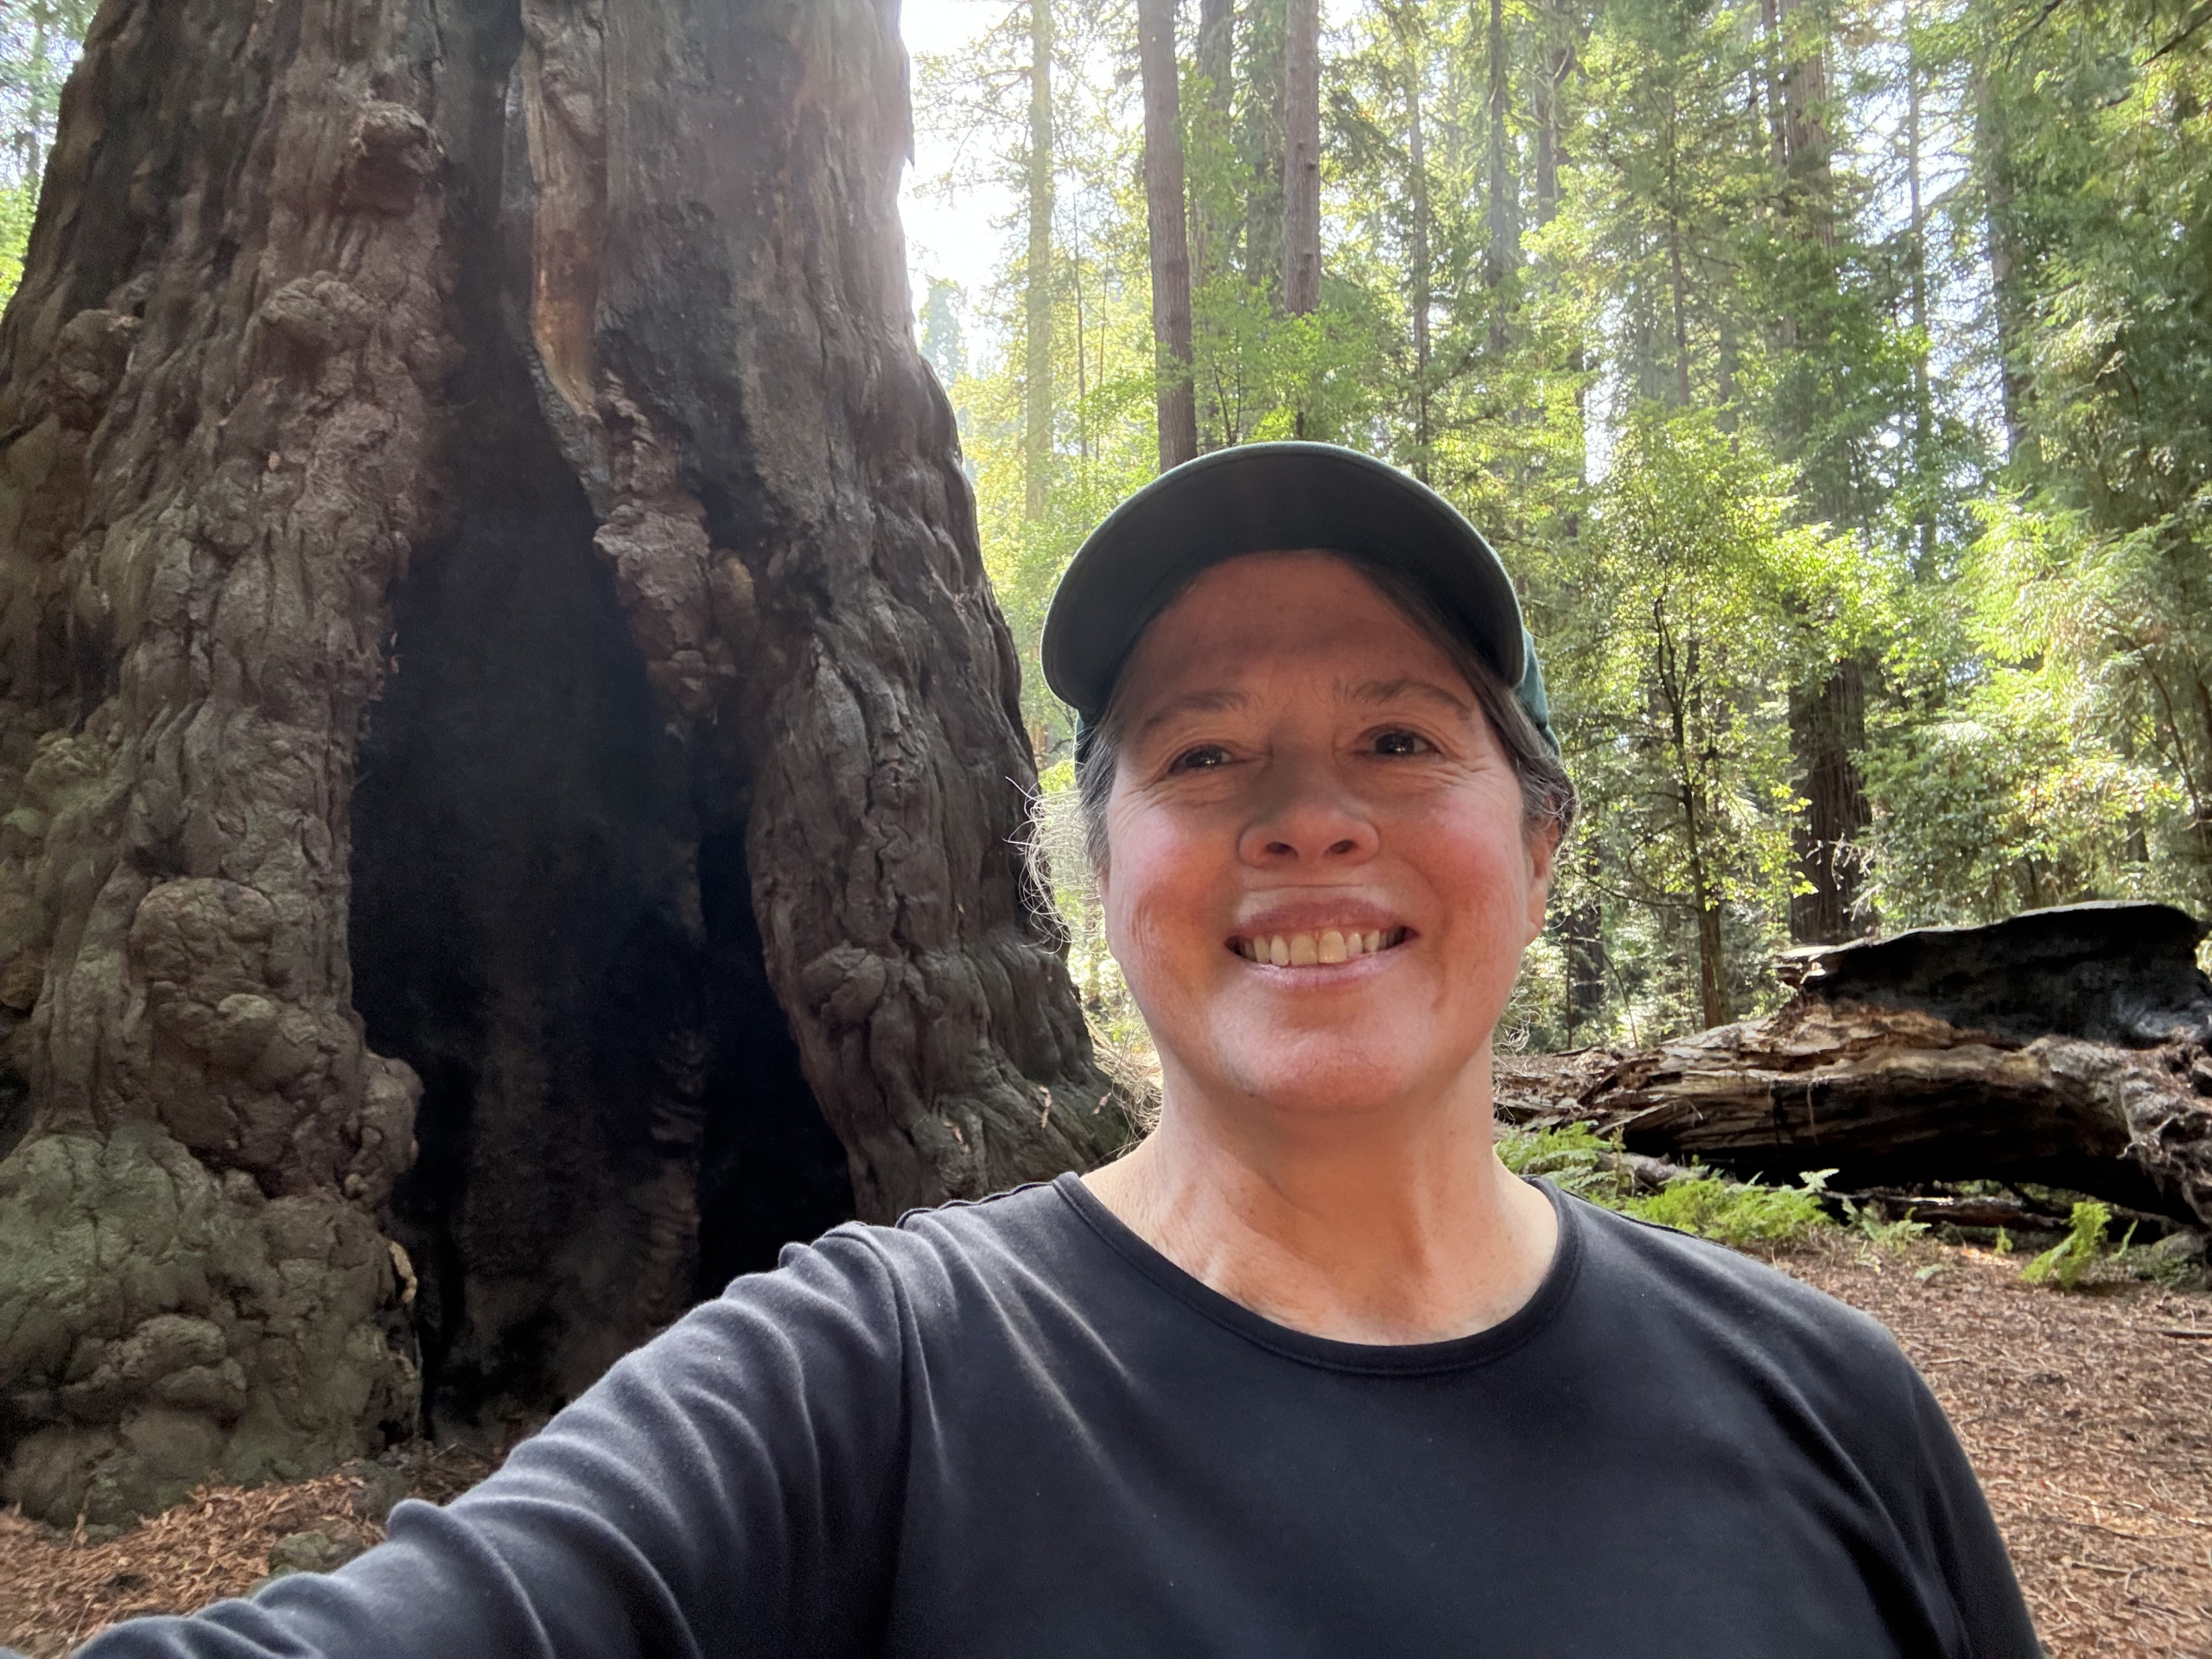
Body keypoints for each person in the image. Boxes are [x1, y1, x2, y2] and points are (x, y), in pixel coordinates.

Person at [25, 443, 2038, 1658]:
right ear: (1097, 870)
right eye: (1201, 751)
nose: (1305, 813)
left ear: (1538, 834)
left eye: (1401, 737)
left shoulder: (1826, 1405)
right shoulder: (870, 1378)